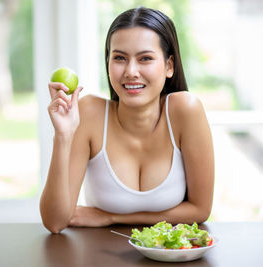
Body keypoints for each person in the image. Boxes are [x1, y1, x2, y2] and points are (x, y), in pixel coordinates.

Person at [41, 6, 214, 234]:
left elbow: (200, 210)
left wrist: (112, 217)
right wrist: (63, 135)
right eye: (120, 58)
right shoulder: (90, 113)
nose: (131, 71)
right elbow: (55, 222)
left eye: (145, 59)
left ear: (169, 66)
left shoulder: (185, 110)